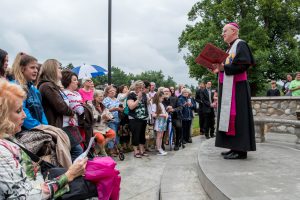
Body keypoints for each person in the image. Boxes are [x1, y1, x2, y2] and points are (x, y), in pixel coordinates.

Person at [0, 80, 88, 199]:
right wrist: (69, 175)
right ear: (2, 115)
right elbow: (25, 197)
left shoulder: (8, 139)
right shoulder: (2, 153)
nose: (24, 115)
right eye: (18, 111)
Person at [213, 22, 256, 159]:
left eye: (225, 31)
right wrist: (216, 69)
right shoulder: (229, 49)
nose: (222, 34)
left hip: (238, 88)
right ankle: (234, 147)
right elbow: (227, 67)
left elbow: (243, 65)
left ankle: (241, 150)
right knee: (231, 117)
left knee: (239, 117)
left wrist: (223, 68)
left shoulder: (241, 44)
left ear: (233, 31)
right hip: (229, 87)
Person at [12, 52, 48, 130]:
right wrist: (38, 127)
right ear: (22, 69)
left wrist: (46, 126)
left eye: (36, 68)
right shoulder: (15, 88)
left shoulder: (34, 90)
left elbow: (41, 111)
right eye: (32, 67)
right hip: (23, 132)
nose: (36, 71)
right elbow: (22, 111)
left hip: (39, 130)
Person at [61, 70, 85, 161]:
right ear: (68, 81)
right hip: (67, 125)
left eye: (77, 79)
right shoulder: (67, 93)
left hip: (74, 124)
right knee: (77, 150)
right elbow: (80, 110)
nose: (77, 82)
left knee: (79, 148)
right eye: (74, 80)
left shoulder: (77, 93)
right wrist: (86, 105)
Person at [127, 80, 149, 158]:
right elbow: (131, 106)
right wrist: (138, 98)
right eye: (140, 87)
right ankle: (135, 151)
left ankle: (142, 150)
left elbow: (145, 105)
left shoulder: (144, 95)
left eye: (142, 88)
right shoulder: (131, 95)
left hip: (143, 118)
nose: (141, 89)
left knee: (142, 134)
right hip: (134, 118)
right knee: (136, 134)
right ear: (136, 87)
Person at [152, 91, 168, 156]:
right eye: (162, 98)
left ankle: (160, 148)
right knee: (159, 136)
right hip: (159, 122)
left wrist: (166, 114)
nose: (163, 99)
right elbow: (153, 115)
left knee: (161, 136)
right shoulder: (154, 105)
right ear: (158, 97)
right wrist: (163, 115)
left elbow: (164, 112)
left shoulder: (161, 104)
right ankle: (159, 149)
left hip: (163, 121)